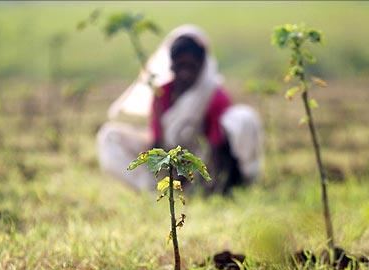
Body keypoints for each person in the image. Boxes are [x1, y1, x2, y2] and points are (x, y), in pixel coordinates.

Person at [97, 25, 263, 194]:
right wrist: (162, 164)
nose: (186, 74)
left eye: (191, 67)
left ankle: (202, 191)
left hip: (201, 168)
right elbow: (156, 141)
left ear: (201, 65)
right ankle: (153, 191)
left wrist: (190, 173)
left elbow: (215, 146)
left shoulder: (213, 95)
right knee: (110, 137)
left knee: (243, 116)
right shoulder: (161, 93)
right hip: (168, 163)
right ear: (172, 65)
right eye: (181, 66)